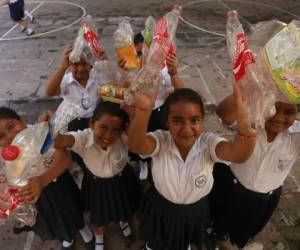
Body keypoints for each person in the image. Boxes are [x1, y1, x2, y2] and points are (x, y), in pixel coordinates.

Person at [126, 82, 257, 250]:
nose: (187, 129)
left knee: (185, 239)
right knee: (156, 239)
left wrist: (247, 123)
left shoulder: (208, 143)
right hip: (161, 207)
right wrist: (144, 111)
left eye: (194, 120)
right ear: (166, 122)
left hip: (194, 211)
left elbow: (238, 154)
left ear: (202, 121)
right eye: (177, 121)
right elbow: (137, 146)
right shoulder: (161, 140)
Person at [209, 95, 300, 250]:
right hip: (232, 186)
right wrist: (247, 88)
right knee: (219, 219)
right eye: (274, 108)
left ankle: (232, 240)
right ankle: (216, 235)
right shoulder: (250, 120)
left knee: (244, 230)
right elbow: (223, 113)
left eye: (289, 112)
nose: (278, 117)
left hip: (264, 197)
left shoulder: (296, 136)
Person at [0, 107, 94, 250]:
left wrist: (42, 180)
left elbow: (64, 158)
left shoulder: (40, 135)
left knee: (72, 213)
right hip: (38, 200)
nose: (10, 136)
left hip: (59, 187)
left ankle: (86, 232)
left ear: (21, 119)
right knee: (55, 222)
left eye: (11, 126)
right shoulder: (7, 155)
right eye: (1, 136)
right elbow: (8, 178)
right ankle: (67, 237)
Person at [54, 101, 141, 250]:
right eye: (103, 128)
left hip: (122, 182)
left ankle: (123, 222)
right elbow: (60, 141)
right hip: (97, 186)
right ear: (91, 124)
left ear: (122, 130)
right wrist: (52, 126)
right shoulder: (83, 139)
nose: (108, 135)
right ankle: (99, 238)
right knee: (99, 219)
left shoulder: (124, 137)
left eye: (115, 130)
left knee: (124, 209)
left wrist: (134, 115)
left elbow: (138, 141)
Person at [46, 45, 107, 169]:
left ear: (91, 64)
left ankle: (96, 164)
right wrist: (62, 68)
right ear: (69, 65)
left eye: (84, 64)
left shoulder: (97, 76)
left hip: (93, 119)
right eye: (75, 64)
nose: (80, 68)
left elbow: (113, 86)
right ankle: (82, 165)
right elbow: (50, 92)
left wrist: (105, 64)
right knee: (77, 148)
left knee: (96, 145)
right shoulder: (66, 81)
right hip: (73, 120)